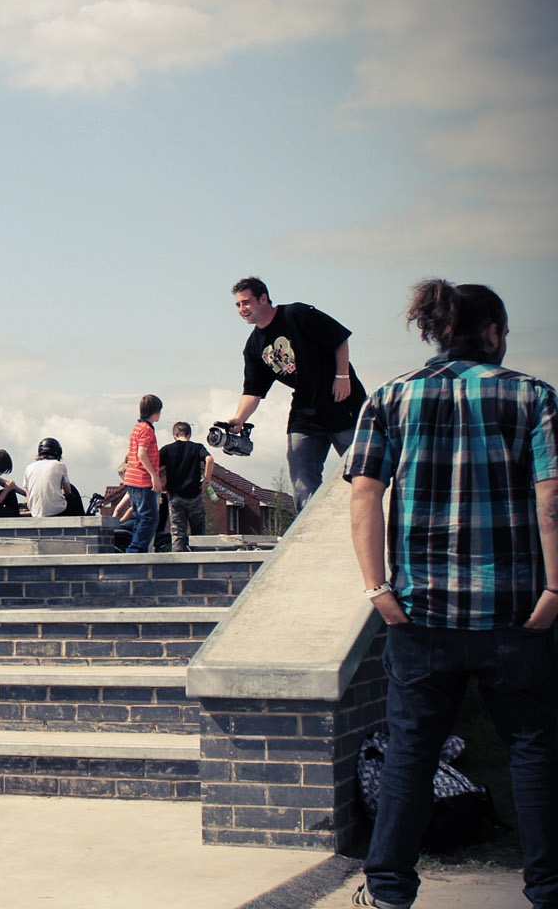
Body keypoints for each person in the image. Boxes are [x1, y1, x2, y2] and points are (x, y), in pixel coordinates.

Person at [344, 279, 558, 909]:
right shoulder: (534, 396)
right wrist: (555, 586)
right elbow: (552, 498)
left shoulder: (389, 398)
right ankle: (547, 891)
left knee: (411, 754)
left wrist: (376, 588)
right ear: (492, 333)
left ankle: (387, 894)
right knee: (534, 752)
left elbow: (363, 493)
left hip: (420, 615)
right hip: (515, 613)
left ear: (437, 330)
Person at [227, 276, 364, 511]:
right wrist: (239, 419)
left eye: (246, 302)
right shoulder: (254, 347)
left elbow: (339, 338)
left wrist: (342, 376)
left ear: (263, 298)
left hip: (342, 403)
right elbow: (253, 390)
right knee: (302, 478)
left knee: (364, 471)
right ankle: (312, 531)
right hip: (305, 412)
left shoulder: (296, 315)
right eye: (238, 305)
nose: (242, 309)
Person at [159, 421, 214, 553]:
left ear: (174, 435)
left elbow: (155, 466)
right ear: (189, 434)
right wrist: (206, 481)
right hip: (195, 495)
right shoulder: (197, 448)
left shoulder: (166, 450)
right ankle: (200, 561)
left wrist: (161, 484)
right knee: (198, 532)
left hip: (176, 497)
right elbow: (209, 460)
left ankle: (179, 565)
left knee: (178, 532)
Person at [122, 394, 164, 553]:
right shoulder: (147, 430)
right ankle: (136, 550)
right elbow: (142, 454)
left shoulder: (137, 428)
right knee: (149, 517)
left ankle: (135, 548)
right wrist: (154, 476)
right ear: (156, 412)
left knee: (140, 517)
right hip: (142, 479)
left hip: (131, 478)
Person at [23, 437, 73, 518]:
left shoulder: (29, 467)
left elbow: (29, 498)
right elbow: (68, 492)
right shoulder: (60, 465)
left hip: (35, 512)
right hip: (57, 511)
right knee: (73, 494)